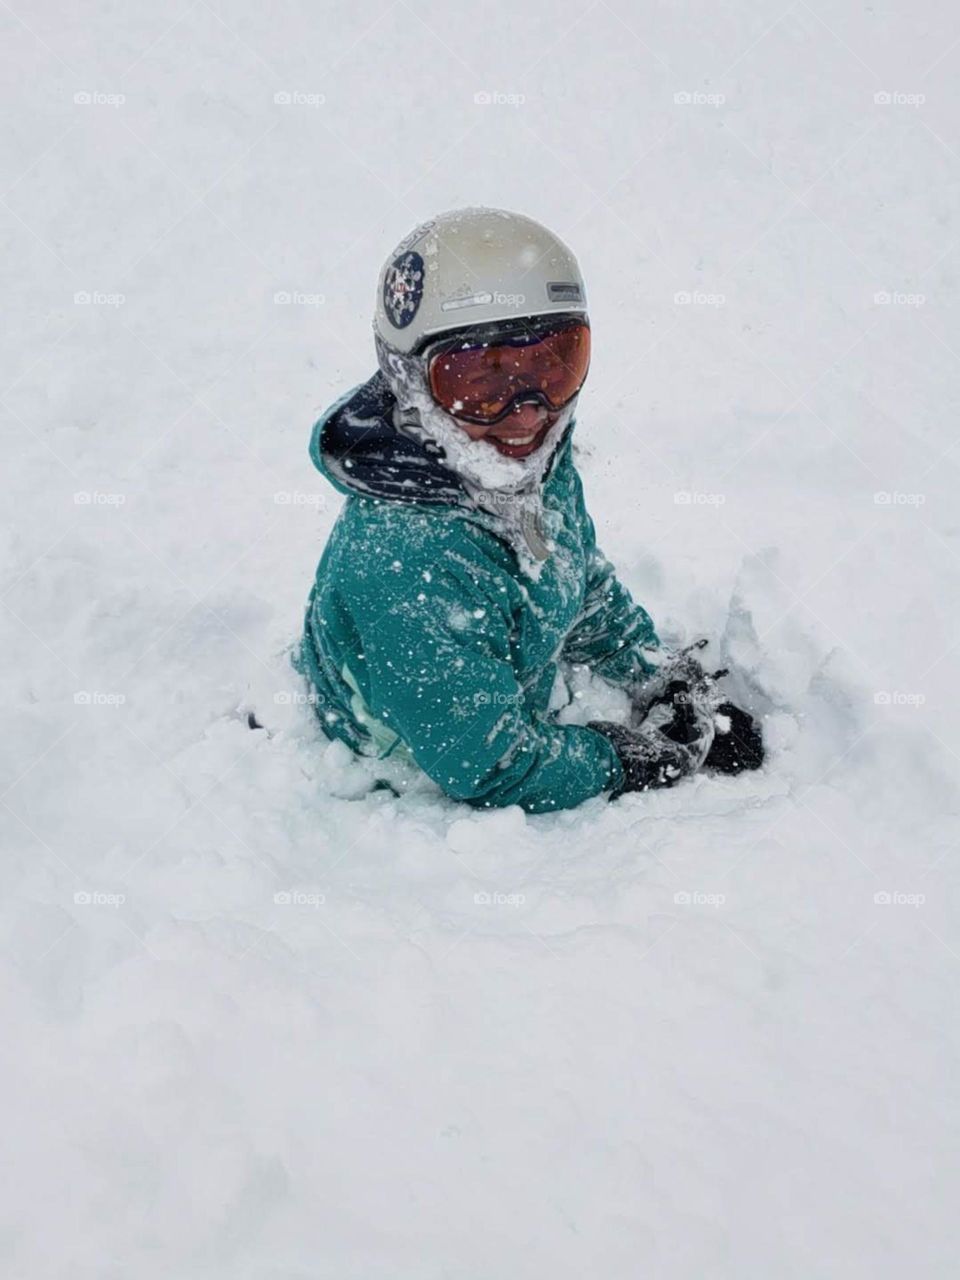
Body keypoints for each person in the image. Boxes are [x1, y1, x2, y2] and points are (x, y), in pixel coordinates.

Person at [297, 207, 762, 813]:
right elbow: (490, 766)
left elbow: (572, 573)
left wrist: (653, 673)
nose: (526, 412)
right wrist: (627, 760)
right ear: (410, 381)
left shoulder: (515, 453)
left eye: (552, 366)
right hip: (403, 774)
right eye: (481, 382)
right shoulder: (404, 563)